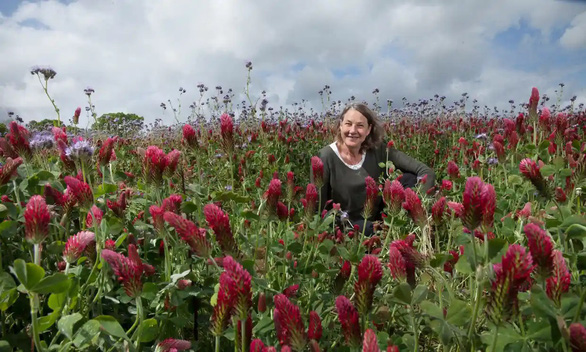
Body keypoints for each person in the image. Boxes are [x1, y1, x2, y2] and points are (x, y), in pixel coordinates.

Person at [312, 102, 435, 235]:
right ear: (340, 125)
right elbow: (318, 208)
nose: (353, 131)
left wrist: (415, 206)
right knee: (367, 229)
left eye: (360, 125)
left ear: (368, 129)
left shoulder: (379, 150)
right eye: (348, 124)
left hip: (381, 217)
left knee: (409, 178)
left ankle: (404, 228)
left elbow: (425, 172)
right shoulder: (325, 156)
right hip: (347, 225)